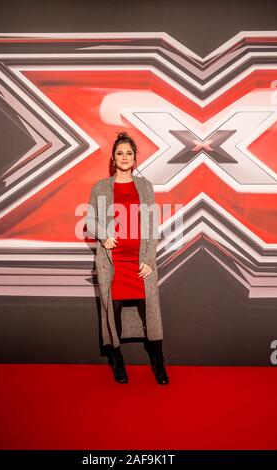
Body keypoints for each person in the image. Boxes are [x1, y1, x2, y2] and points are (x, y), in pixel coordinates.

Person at [86, 131, 169, 385]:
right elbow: (90, 220)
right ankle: (118, 361)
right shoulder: (101, 187)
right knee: (114, 313)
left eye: (129, 153)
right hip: (113, 264)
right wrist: (103, 234)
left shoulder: (145, 187)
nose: (124, 157)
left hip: (140, 263)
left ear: (135, 159)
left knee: (151, 314)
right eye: (119, 153)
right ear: (113, 158)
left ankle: (158, 362)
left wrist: (148, 260)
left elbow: (153, 225)